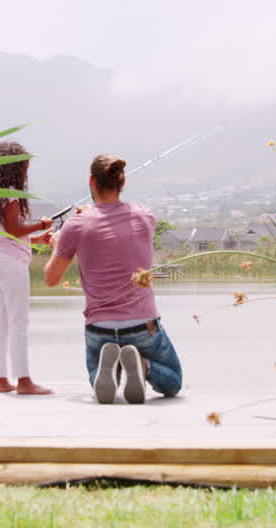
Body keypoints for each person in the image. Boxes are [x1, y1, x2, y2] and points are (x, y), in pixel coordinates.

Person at [44, 154, 182, 404]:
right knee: (173, 381)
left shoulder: (75, 225)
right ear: (122, 182)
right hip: (142, 325)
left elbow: (51, 278)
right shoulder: (145, 216)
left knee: (98, 377)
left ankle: (109, 370)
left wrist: (57, 244)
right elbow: (114, 228)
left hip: (100, 327)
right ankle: (143, 365)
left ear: (91, 181)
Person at [0, 140, 54, 395]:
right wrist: (41, 225)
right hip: (10, 263)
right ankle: (24, 381)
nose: (25, 172)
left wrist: (36, 239)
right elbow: (13, 229)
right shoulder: (11, 192)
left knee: (1, 322)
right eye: (23, 166)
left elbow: (6, 233)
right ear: (14, 167)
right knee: (18, 321)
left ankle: (2, 380)